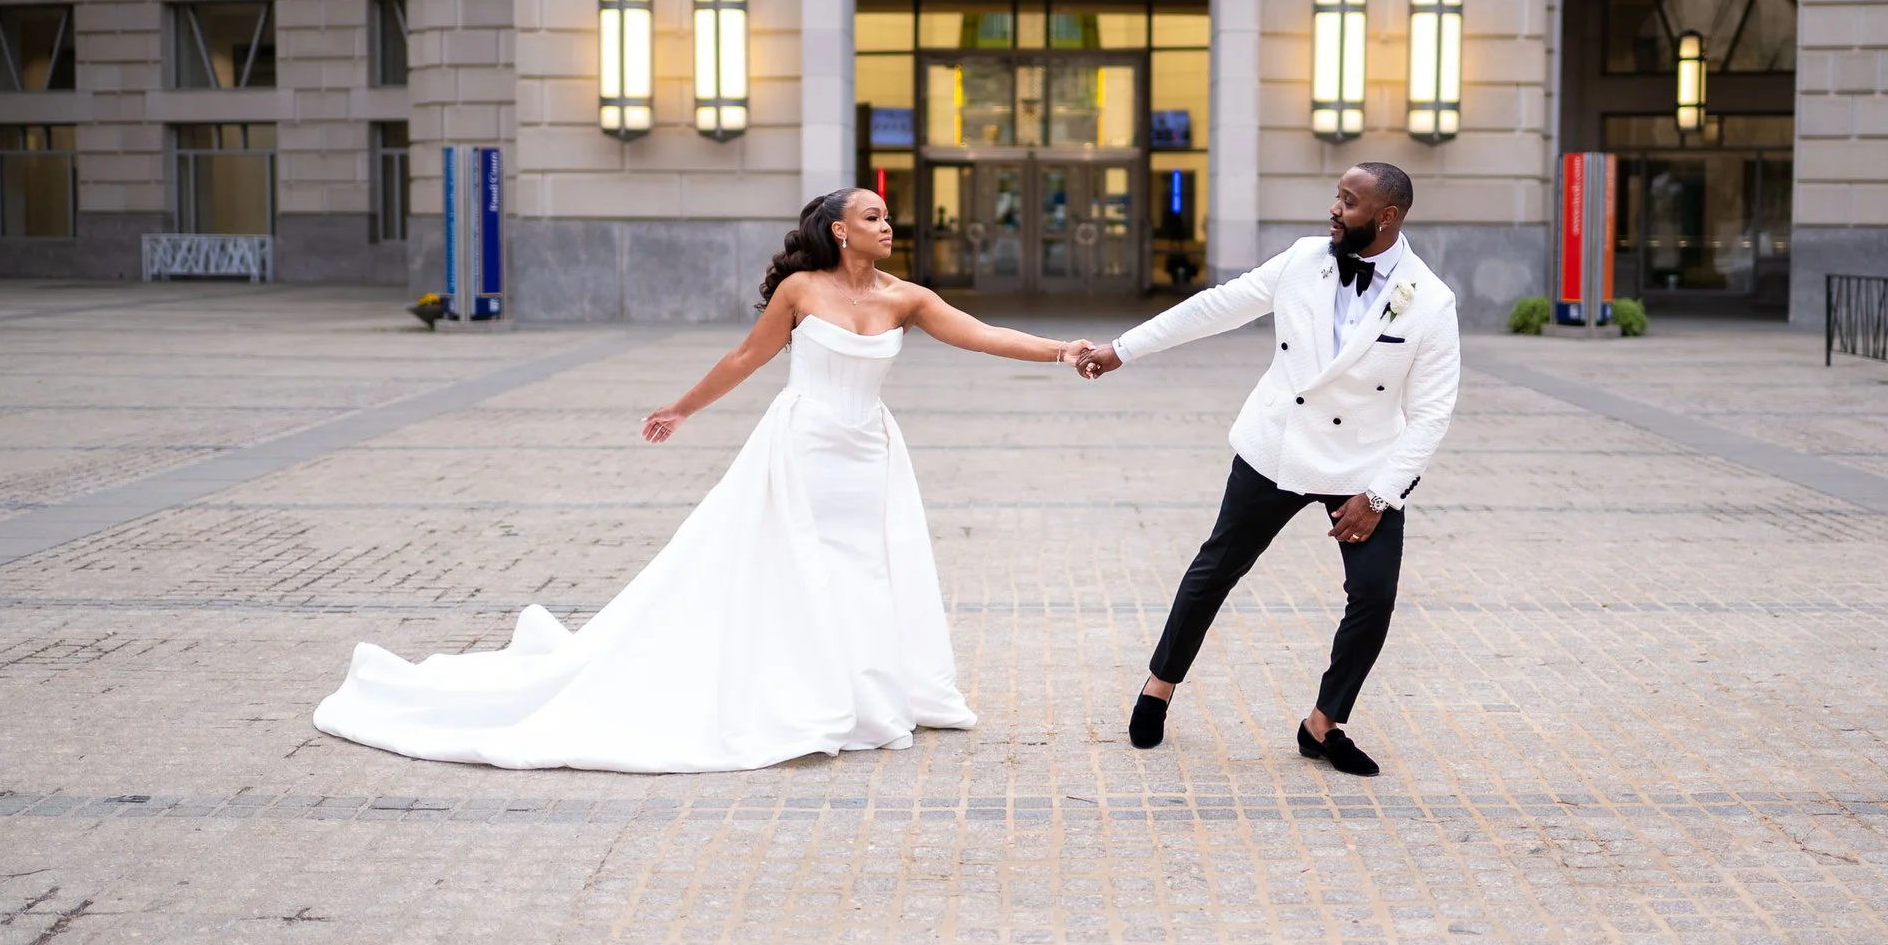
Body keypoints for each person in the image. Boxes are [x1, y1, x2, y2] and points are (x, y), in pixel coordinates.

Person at [314, 189, 1090, 775]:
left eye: (887, 217)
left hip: (869, 456)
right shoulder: (801, 291)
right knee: (801, 569)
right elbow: (747, 358)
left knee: (864, 572)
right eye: (872, 216)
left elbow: (982, 335)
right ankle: (810, 696)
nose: (887, 226)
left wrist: (1062, 352)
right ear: (837, 230)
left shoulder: (907, 298)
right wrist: (682, 409)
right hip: (803, 449)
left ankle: (866, 697)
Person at [1075, 163, 1459, 776]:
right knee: (1215, 571)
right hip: (1278, 445)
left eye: (1349, 201)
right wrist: (1122, 350)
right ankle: (1158, 688)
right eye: (1336, 196)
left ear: (1386, 217)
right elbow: (1215, 308)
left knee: (1374, 598)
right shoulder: (1303, 260)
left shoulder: (1430, 301)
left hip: (1364, 470)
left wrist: (1379, 497)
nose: (1334, 208)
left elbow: (1432, 414)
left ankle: (1323, 725)